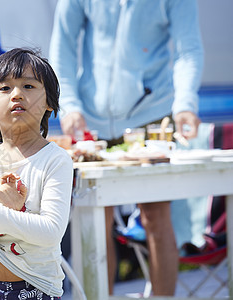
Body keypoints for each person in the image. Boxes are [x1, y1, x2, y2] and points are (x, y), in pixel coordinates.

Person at [49, 0, 204, 296]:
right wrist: (68, 105)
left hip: (152, 114)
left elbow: (189, 50)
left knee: (155, 215)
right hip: (89, 120)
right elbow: (62, 47)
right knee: (94, 219)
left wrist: (185, 103)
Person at [0, 48, 74, 299]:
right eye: (4, 88)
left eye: (29, 86)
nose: (17, 94)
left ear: (50, 104)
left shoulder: (55, 160)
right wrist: (12, 215)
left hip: (38, 288)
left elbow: (51, 232)